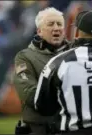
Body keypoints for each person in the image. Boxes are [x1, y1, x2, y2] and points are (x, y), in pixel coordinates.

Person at [13, 7, 70, 135]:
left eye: (59, 24)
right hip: (40, 129)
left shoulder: (76, 53)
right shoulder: (24, 57)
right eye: (50, 24)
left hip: (70, 128)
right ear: (39, 31)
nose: (56, 28)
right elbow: (29, 93)